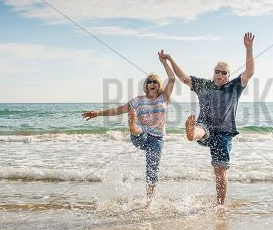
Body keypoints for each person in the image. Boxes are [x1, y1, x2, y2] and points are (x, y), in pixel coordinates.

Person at [163, 32, 255, 205]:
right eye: (216, 71)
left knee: (220, 171)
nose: (219, 74)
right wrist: (169, 59)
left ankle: (220, 205)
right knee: (201, 128)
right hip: (205, 126)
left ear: (228, 75)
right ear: (213, 73)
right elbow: (183, 77)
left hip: (224, 133)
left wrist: (249, 49)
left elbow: (249, 72)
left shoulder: (234, 86)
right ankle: (192, 133)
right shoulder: (204, 85)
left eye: (223, 72)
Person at [82, 50, 175, 207]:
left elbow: (172, 78)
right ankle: (132, 125)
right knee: (138, 129)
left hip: (157, 140)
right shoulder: (138, 100)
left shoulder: (164, 98)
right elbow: (118, 110)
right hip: (141, 135)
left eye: (155, 82)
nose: (152, 84)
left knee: (152, 169)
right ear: (146, 85)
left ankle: (149, 202)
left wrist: (165, 61)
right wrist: (97, 113)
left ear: (159, 85)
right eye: (150, 81)